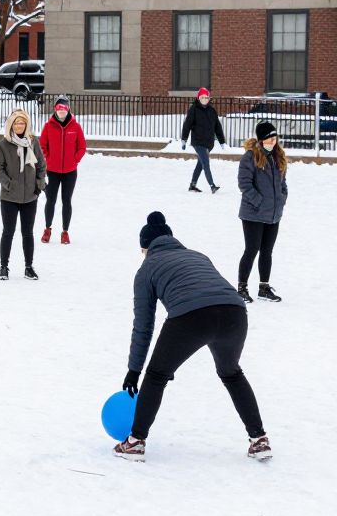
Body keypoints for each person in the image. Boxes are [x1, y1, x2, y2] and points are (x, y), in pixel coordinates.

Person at [113, 212, 271, 463]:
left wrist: (135, 370)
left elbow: (143, 326)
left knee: (156, 376)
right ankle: (259, 439)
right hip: (234, 312)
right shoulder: (198, 255)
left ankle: (135, 442)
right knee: (231, 373)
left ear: (145, 248)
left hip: (191, 316)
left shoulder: (147, 269)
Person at [0, 109, 46, 281]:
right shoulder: (3, 145)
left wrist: (38, 185)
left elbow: (41, 166)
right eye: (16, 123)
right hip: (9, 197)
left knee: (28, 233)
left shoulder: (33, 143)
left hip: (30, 196)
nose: (19, 126)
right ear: (11, 125)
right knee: (8, 232)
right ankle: (4, 266)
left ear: (27, 125)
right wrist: (9, 184)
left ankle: (29, 267)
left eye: (22, 123)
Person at [237, 121, 286, 303]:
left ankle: (264, 287)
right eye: (268, 139)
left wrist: (281, 198)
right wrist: (259, 202)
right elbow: (244, 184)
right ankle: (242, 287)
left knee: (267, 251)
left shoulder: (278, 156)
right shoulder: (250, 157)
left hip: (273, 213)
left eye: (274, 138)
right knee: (252, 250)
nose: (272, 142)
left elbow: (282, 183)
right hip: (253, 213)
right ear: (260, 140)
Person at [39, 95, 86, 245]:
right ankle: (47, 229)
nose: (61, 110)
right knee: (50, 200)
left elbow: (82, 147)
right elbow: (42, 147)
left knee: (67, 201)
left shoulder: (76, 127)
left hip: (70, 172)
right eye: (59, 108)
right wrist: (48, 159)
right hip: (52, 171)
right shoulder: (48, 126)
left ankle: (65, 232)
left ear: (68, 109)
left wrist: (74, 160)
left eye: (64, 108)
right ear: (55, 109)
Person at [180, 87, 226, 193]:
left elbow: (217, 127)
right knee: (205, 163)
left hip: (209, 143)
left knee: (200, 164)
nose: (204, 99)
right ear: (198, 98)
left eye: (206, 97)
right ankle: (212, 185)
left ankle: (192, 185)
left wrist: (222, 141)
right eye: (202, 97)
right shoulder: (194, 109)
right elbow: (187, 125)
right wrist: (184, 139)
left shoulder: (212, 111)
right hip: (198, 142)